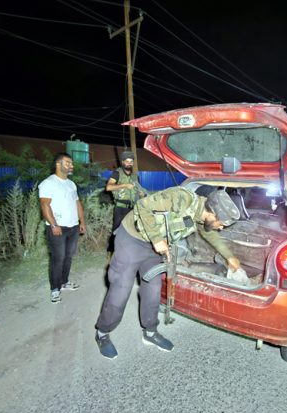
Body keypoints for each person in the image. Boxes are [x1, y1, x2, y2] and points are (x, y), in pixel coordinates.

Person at [95, 187, 242, 359]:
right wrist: (157, 239)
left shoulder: (201, 218)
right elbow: (142, 205)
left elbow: (211, 235)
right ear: (212, 213)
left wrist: (229, 256)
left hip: (156, 247)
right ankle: (103, 332)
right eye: (222, 223)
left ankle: (150, 332)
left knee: (153, 289)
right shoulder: (181, 198)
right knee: (121, 289)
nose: (221, 228)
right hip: (132, 239)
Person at [39, 153, 86, 304]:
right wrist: (53, 224)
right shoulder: (48, 183)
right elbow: (45, 205)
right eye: (68, 163)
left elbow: (77, 203)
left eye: (71, 163)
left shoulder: (71, 184)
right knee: (57, 259)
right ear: (58, 164)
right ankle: (55, 289)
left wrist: (82, 221)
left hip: (73, 227)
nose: (71, 166)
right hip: (57, 228)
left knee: (68, 256)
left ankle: (64, 282)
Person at [106, 150, 147, 252]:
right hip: (120, 208)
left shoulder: (135, 176)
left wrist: (141, 194)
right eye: (127, 161)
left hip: (132, 209)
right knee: (116, 231)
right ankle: (112, 253)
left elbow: (138, 190)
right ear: (123, 162)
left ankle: (128, 251)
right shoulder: (117, 173)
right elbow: (108, 187)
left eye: (131, 161)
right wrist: (124, 185)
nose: (129, 163)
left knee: (131, 231)